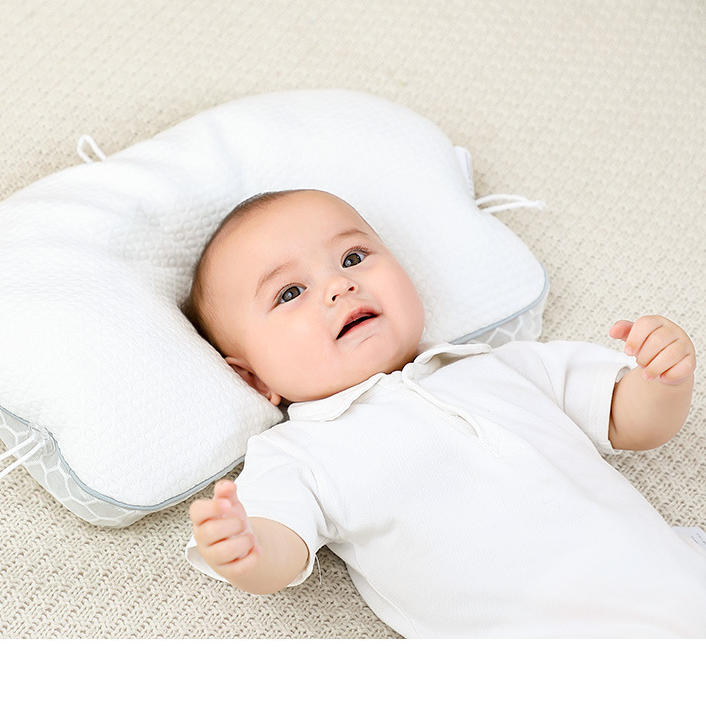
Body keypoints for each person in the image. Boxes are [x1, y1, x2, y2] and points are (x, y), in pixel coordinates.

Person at [183, 189, 706, 637]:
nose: (340, 286)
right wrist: (248, 547)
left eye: (353, 257)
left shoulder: (503, 365)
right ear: (254, 379)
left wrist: (661, 380)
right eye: (290, 292)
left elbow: (627, 421)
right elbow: (283, 546)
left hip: (677, 581)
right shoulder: (299, 453)